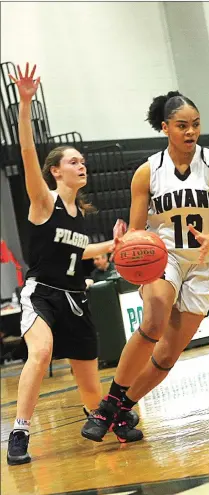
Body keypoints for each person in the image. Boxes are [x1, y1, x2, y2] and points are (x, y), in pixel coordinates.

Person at [81, 91, 209, 442]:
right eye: (182, 126)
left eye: (196, 125)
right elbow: (139, 229)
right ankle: (107, 405)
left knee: (168, 354)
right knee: (154, 322)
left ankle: (123, 408)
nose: (191, 132)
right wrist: (126, 241)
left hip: (206, 262)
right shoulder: (147, 172)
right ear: (165, 127)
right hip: (164, 257)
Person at [6, 64, 137, 466]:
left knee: (89, 383)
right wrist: (25, 105)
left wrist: (110, 246)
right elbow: (28, 152)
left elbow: (76, 252)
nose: (82, 166)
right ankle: (19, 431)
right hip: (41, 293)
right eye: (74, 161)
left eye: (83, 161)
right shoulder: (43, 201)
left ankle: (103, 416)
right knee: (41, 352)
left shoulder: (78, 213)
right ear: (56, 170)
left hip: (75, 299)